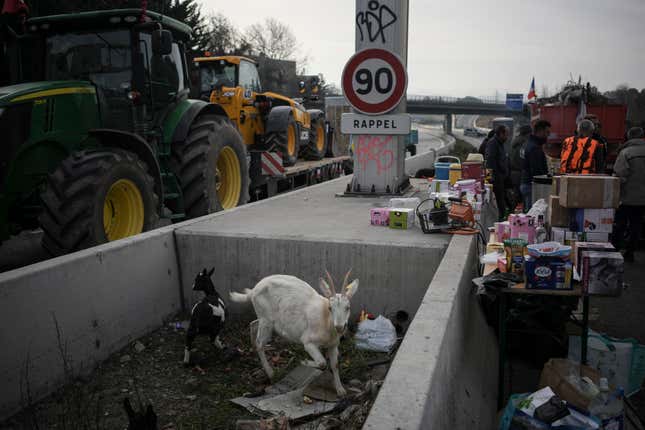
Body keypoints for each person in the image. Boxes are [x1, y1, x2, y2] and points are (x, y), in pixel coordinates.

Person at [612, 127, 645, 262]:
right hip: (642, 199)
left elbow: (619, 175)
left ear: (629, 137)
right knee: (636, 225)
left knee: (620, 224)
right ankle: (630, 252)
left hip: (626, 197)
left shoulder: (626, 153)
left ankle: (615, 251)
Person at [519, 120, 551, 211]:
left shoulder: (526, 144)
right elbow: (537, 172)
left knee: (528, 213)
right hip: (532, 186)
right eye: (547, 132)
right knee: (533, 215)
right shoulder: (534, 148)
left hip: (524, 182)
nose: (548, 135)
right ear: (540, 131)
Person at [486, 125, 510, 220]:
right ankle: (499, 220)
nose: (507, 137)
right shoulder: (493, 143)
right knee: (499, 201)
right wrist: (491, 178)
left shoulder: (499, 143)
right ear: (501, 134)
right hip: (495, 179)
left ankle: (501, 218)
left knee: (501, 200)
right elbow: (490, 161)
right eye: (506, 135)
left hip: (500, 177)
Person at [509, 125, 531, 209]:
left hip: (514, 173)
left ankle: (513, 213)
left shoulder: (515, 142)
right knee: (522, 198)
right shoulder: (523, 144)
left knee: (517, 195)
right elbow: (522, 160)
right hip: (520, 173)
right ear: (527, 134)